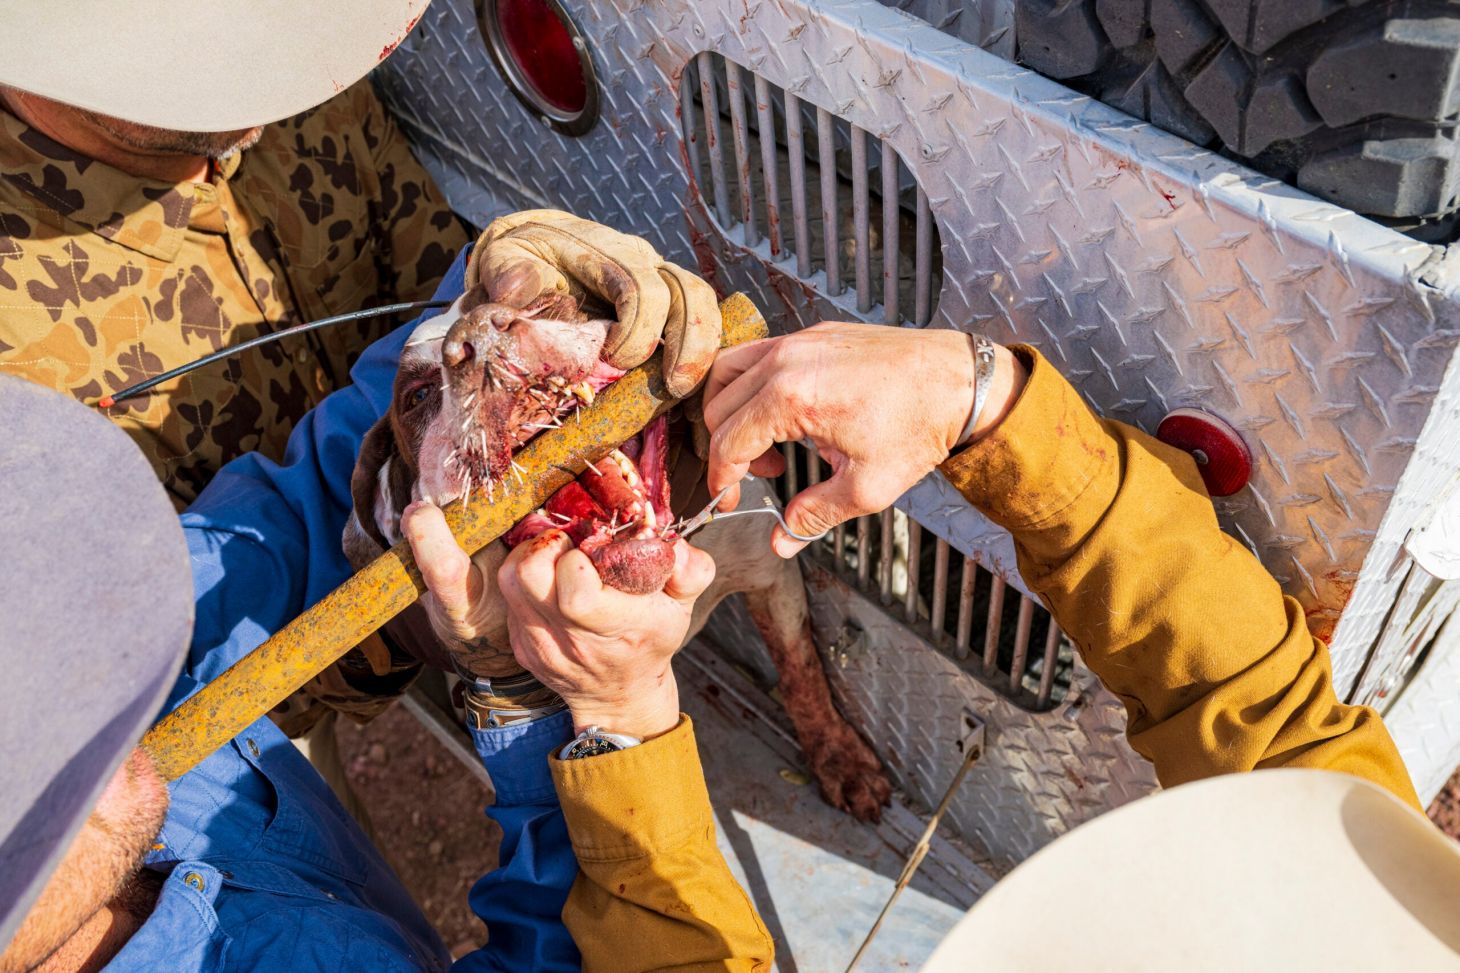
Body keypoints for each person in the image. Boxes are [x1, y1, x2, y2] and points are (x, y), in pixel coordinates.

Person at [0, 376, 768, 969]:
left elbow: (282, 525)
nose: (37, 708)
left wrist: (480, 346)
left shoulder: (61, 682)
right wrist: (617, 713)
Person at [0, 1, 469, 743]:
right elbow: (168, 673)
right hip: (257, 705)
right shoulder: (16, 358)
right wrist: (422, 615)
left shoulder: (292, 67)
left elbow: (430, 287)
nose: (258, 70)